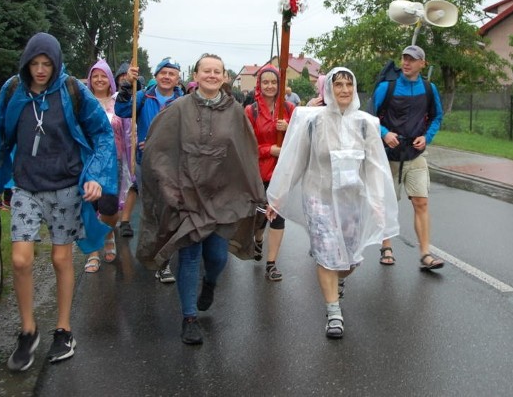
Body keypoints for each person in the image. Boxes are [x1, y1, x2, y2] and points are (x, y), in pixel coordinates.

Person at [0, 32, 117, 371]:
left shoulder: (74, 90)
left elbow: (102, 134)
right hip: (26, 185)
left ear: (56, 63)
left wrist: (96, 177)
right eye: (34, 64)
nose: (40, 70)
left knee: (61, 259)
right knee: (20, 259)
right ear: (26, 63)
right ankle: (28, 331)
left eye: (47, 64)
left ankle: (64, 329)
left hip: (65, 187)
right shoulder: (13, 89)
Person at [137, 53, 267, 345]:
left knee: (217, 256)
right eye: (205, 70)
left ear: (223, 76)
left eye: (217, 71)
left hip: (222, 197)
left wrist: (257, 194)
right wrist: (170, 191)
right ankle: (189, 318)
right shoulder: (178, 109)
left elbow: (247, 155)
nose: (211, 75)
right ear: (194, 75)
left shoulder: (235, 112)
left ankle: (209, 283)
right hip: (188, 197)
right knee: (190, 254)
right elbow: (158, 151)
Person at [266, 67, 399, 339]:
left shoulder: (366, 124)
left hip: (352, 200)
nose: (344, 90)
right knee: (328, 253)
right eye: (338, 85)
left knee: (350, 259)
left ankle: (336, 279)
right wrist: (278, 195)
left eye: (349, 85)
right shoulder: (312, 121)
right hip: (319, 198)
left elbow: (374, 167)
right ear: (329, 89)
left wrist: (377, 202)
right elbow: (294, 162)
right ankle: (333, 312)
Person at [372, 45, 444, 270]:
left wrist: (427, 137)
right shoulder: (387, 87)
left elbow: (437, 116)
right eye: (404, 58)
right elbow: (368, 117)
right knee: (387, 204)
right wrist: (384, 133)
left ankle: (425, 254)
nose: (406, 63)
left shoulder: (429, 89)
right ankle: (386, 246)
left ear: (422, 63)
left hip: (415, 155)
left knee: (421, 202)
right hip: (388, 156)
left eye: (412, 59)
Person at [115, 57, 184, 283]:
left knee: (169, 211)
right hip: (146, 163)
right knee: (152, 211)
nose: (166, 77)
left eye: (171, 73)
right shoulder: (144, 96)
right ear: (155, 76)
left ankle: (163, 262)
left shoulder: (183, 101)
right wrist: (127, 85)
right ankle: (151, 254)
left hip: (174, 166)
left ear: (178, 78)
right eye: (162, 72)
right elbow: (122, 109)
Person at [244, 65, 295, 281]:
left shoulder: (290, 108)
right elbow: (245, 145)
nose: (270, 86)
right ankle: (257, 240)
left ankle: (271, 263)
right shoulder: (251, 111)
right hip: (258, 174)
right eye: (265, 82)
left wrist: (289, 127)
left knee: (278, 217)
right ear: (259, 85)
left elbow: (300, 139)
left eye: (274, 82)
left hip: (281, 174)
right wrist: (269, 150)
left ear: (280, 84)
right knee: (260, 217)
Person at [82, 59, 129, 273]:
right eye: (95, 76)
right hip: (88, 162)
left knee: (109, 208)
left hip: (114, 161)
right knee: (90, 208)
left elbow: (128, 127)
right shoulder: (82, 102)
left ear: (110, 80)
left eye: (103, 76)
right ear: (90, 80)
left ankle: (109, 234)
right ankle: (93, 251)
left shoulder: (118, 101)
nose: (99, 80)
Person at [113, 62, 137, 238]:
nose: (125, 82)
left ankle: (126, 220)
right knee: (116, 185)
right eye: (122, 79)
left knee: (133, 184)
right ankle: (112, 219)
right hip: (116, 151)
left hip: (134, 148)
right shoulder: (116, 100)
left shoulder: (140, 99)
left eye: (127, 79)